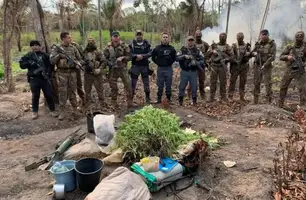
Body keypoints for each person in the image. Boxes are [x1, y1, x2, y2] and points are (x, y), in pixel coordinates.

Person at [19, 40, 58, 120]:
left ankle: (52, 110)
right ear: (31, 47)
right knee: (35, 96)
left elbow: (50, 66)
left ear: (40, 46)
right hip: (34, 79)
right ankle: (35, 112)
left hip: (44, 79)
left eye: (37, 45)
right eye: (33, 45)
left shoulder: (45, 55)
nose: (35, 47)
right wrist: (29, 63)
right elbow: (22, 65)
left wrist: (47, 73)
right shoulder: (28, 56)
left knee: (49, 95)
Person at [50, 32, 83, 120]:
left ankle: (75, 109)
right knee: (62, 92)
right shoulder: (56, 49)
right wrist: (59, 56)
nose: (70, 39)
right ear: (63, 39)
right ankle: (62, 111)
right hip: (62, 73)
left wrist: (78, 64)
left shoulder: (73, 48)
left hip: (72, 73)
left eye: (70, 37)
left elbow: (80, 59)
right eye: (68, 38)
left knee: (73, 90)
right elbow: (52, 61)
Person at [103, 31, 134, 108]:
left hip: (122, 69)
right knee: (113, 87)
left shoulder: (124, 46)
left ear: (119, 37)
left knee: (128, 85)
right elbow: (104, 59)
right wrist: (108, 63)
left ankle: (130, 102)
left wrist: (123, 57)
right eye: (114, 36)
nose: (116, 38)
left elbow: (130, 56)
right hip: (113, 70)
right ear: (112, 38)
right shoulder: (108, 47)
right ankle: (114, 103)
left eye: (117, 37)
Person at [278, 31, 306, 108]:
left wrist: (303, 64)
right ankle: (280, 104)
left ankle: (303, 106)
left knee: (303, 88)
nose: (299, 38)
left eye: (301, 37)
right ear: (295, 37)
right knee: (283, 86)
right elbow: (281, 56)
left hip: (300, 70)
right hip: (289, 69)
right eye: (298, 36)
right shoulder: (289, 47)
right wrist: (287, 57)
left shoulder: (305, 47)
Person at [177, 36, 205, 106]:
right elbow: (176, 58)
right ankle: (180, 101)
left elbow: (202, 60)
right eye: (189, 40)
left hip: (193, 72)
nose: (190, 42)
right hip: (184, 71)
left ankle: (194, 101)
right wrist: (184, 56)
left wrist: (196, 63)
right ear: (187, 41)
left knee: (194, 87)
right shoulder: (182, 50)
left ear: (194, 41)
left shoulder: (198, 51)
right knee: (182, 86)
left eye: (192, 40)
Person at [206, 32, 233, 102]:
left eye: (224, 36)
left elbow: (232, 56)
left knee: (223, 82)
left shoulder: (227, 46)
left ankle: (223, 97)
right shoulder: (214, 46)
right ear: (219, 37)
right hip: (214, 66)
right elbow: (207, 54)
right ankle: (211, 97)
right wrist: (212, 51)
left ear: (226, 38)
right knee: (213, 82)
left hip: (222, 66)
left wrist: (225, 59)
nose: (222, 37)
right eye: (221, 36)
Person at [251, 29, 276, 104]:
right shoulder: (258, 43)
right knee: (256, 82)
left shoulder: (272, 43)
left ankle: (269, 101)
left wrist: (265, 65)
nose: (263, 36)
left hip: (266, 66)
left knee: (267, 83)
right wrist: (254, 54)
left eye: (265, 35)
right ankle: (255, 101)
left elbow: (272, 57)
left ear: (268, 35)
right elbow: (252, 52)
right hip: (257, 65)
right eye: (262, 35)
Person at [151, 32, 177, 103]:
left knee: (168, 84)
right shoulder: (157, 48)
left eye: (166, 37)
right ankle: (159, 99)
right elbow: (153, 57)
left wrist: (170, 62)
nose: (165, 38)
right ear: (161, 38)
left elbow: (175, 58)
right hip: (160, 68)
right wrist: (158, 63)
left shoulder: (172, 49)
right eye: (164, 37)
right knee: (160, 85)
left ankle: (168, 99)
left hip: (168, 68)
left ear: (168, 39)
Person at [129, 30, 152, 103]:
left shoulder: (146, 43)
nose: (139, 36)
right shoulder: (132, 43)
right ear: (136, 35)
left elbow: (150, 53)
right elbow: (129, 53)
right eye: (138, 35)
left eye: (140, 35)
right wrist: (136, 56)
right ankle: (131, 99)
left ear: (142, 35)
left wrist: (143, 56)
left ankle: (148, 98)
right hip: (135, 66)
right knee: (133, 83)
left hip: (144, 66)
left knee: (146, 83)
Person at [186, 29, 210, 100]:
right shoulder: (192, 44)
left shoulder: (205, 44)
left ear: (201, 35)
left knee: (201, 81)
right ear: (195, 35)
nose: (198, 35)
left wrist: (206, 61)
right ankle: (188, 95)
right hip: (193, 66)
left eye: (199, 34)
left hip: (201, 66)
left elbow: (208, 53)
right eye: (197, 34)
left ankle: (202, 95)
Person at [228, 32, 251, 101]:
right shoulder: (234, 45)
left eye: (241, 37)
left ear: (243, 38)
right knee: (233, 81)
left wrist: (248, 53)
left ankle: (242, 96)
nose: (239, 38)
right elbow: (231, 55)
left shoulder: (247, 45)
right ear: (236, 37)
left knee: (243, 81)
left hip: (244, 65)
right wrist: (234, 60)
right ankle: (230, 96)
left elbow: (250, 55)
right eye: (238, 37)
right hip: (235, 66)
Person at [83, 38, 105, 107]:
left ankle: (102, 104)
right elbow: (80, 60)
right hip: (88, 74)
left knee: (100, 90)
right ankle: (87, 105)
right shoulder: (84, 52)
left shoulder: (98, 52)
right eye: (89, 41)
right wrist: (84, 64)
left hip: (97, 74)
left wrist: (99, 69)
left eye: (92, 41)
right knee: (87, 91)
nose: (90, 42)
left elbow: (104, 61)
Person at [71, 41, 86, 107]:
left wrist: (79, 64)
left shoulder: (75, 46)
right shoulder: (60, 48)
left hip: (76, 69)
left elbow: (81, 58)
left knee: (79, 85)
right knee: (71, 88)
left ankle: (83, 99)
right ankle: (74, 104)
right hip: (68, 70)